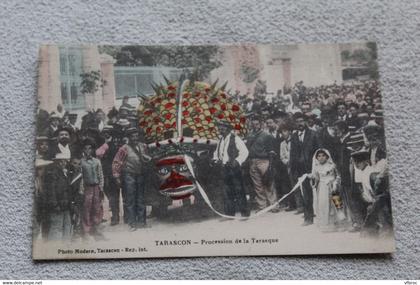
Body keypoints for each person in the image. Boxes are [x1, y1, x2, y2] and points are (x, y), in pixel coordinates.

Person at [112, 128, 149, 231]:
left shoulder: (143, 146)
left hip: (140, 175)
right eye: (133, 136)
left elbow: (146, 158)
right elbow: (116, 162)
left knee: (141, 198)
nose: (135, 138)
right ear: (129, 138)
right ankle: (132, 223)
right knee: (130, 199)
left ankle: (142, 222)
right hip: (129, 176)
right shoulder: (124, 148)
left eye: (136, 136)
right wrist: (116, 176)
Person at [212, 120, 250, 217]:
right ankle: (230, 214)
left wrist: (237, 161)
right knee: (227, 191)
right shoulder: (220, 140)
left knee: (239, 190)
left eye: (223, 127)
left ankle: (244, 213)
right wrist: (216, 160)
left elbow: (245, 152)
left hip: (233, 168)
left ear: (228, 128)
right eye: (219, 127)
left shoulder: (235, 138)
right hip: (224, 168)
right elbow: (216, 153)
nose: (221, 129)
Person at [289, 112, 320, 225]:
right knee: (306, 194)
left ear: (305, 122)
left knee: (320, 192)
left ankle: (325, 217)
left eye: (301, 121)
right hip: (301, 170)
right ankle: (308, 218)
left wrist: (318, 167)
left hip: (314, 168)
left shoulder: (313, 134)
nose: (299, 124)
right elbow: (292, 153)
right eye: (297, 122)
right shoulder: (293, 136)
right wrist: (293, 169)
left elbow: (319, 151)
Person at [246, 116, 278, 213]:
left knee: (269, 183)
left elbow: (271, 151)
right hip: (252, 161)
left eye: (257, 124)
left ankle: (274, 205)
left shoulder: (267, 135)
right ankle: (262, 206)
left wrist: (270, 165)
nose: (255, 126)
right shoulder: (250, 135)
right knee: (257, 185)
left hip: (264, 160)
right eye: (253, 124)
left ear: (261, 124)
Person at [309, 149, 345, 231]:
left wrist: (335, 183)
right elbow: (316, 179)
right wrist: (312, 178)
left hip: (333, 187)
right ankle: (326, 224)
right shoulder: (317, 168)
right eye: (319, 156)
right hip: (322, 188)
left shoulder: (332, 165)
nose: (321, 158)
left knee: (336, 204)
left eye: (323, 156)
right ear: (316, 158)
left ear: (327, 156)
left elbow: (338, 176)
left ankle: (338, 223)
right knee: (324, 204)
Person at [42, 152, 73, 240]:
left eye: (64, 161)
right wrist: (55, 205)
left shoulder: (64, 173)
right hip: (58, 206)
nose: (63, 163)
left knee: (67, 226)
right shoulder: (52, 174)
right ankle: (54, 248)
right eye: (60, 162)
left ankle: (64, 248)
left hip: (65, 205)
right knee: (56, 228)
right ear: (56, 162)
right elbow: (51, 191)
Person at [80, 138, 105, 240]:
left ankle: (97, 230)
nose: (88, 151)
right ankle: (86, 231)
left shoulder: (97, 161)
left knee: (97, 208)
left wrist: (101, 188)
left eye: (90, 149)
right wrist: (81, 190)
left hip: (96, 188)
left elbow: (101, 175)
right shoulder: (81, 162)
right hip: (87, 188)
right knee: (86, 208)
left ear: (92, 150)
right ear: (83, 150)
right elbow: (80, 177)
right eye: (86, 149)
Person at [96, 125, 120, 225]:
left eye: (108, 132)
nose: (106, 134)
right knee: (108, 195)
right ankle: (113, 216)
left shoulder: (114, 145)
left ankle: (115, 216)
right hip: (103, 172)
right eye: (104, 132)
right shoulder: (101, 144)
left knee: (114, 195)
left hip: (112, 173)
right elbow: (97, 154)